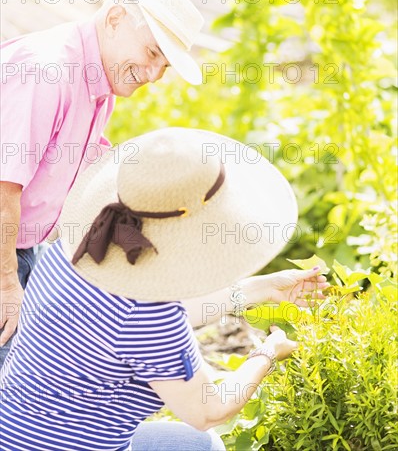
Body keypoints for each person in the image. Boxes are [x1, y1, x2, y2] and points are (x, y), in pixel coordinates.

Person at [0, 127, 329, 450]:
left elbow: (153, 320)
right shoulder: (147, 315)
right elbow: (208, 410)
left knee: (199, 445)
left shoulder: (80, 245)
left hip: (15, 430)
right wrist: (269, 352)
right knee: (202, 440)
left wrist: (265, 287)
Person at [0, 0, 205, 364]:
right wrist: (7, 282)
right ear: (115, 19)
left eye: (164, 66)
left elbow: (84, 172)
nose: (152, 75)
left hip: (23, 246)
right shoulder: (48, 71)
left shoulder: (100, 84)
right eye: (151, 53)